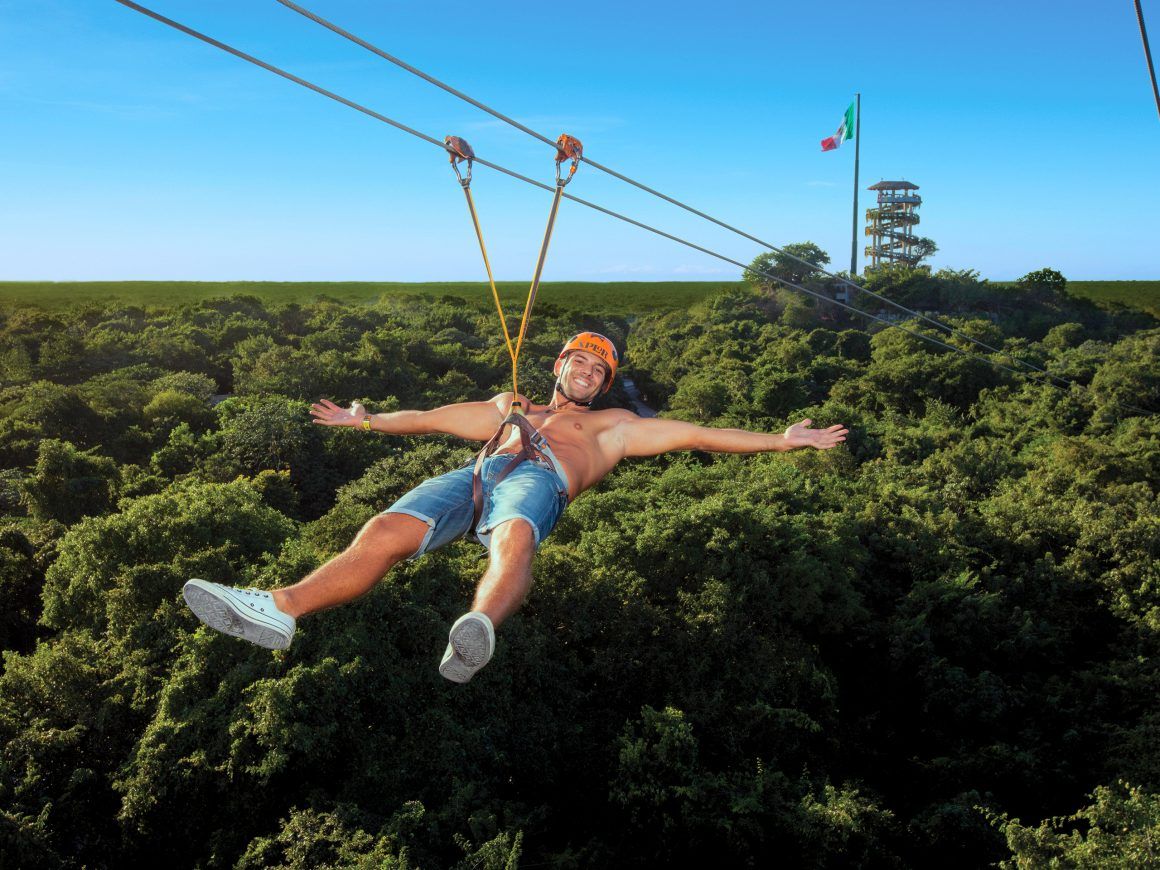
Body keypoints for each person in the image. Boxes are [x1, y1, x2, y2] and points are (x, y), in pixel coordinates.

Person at [183, 332, 848, 683]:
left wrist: (783, 443)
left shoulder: (612, 427)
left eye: (598, 369)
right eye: (579, 362)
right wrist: (368, 422)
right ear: (558, 366)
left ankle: (477, 627)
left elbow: (701, 433)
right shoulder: (512, 406)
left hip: (541, 479)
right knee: (383, 529)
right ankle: (281, 608)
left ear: (605, 385)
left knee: (515, 537)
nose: (587, 372)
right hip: (479, 470)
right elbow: (435, 419)